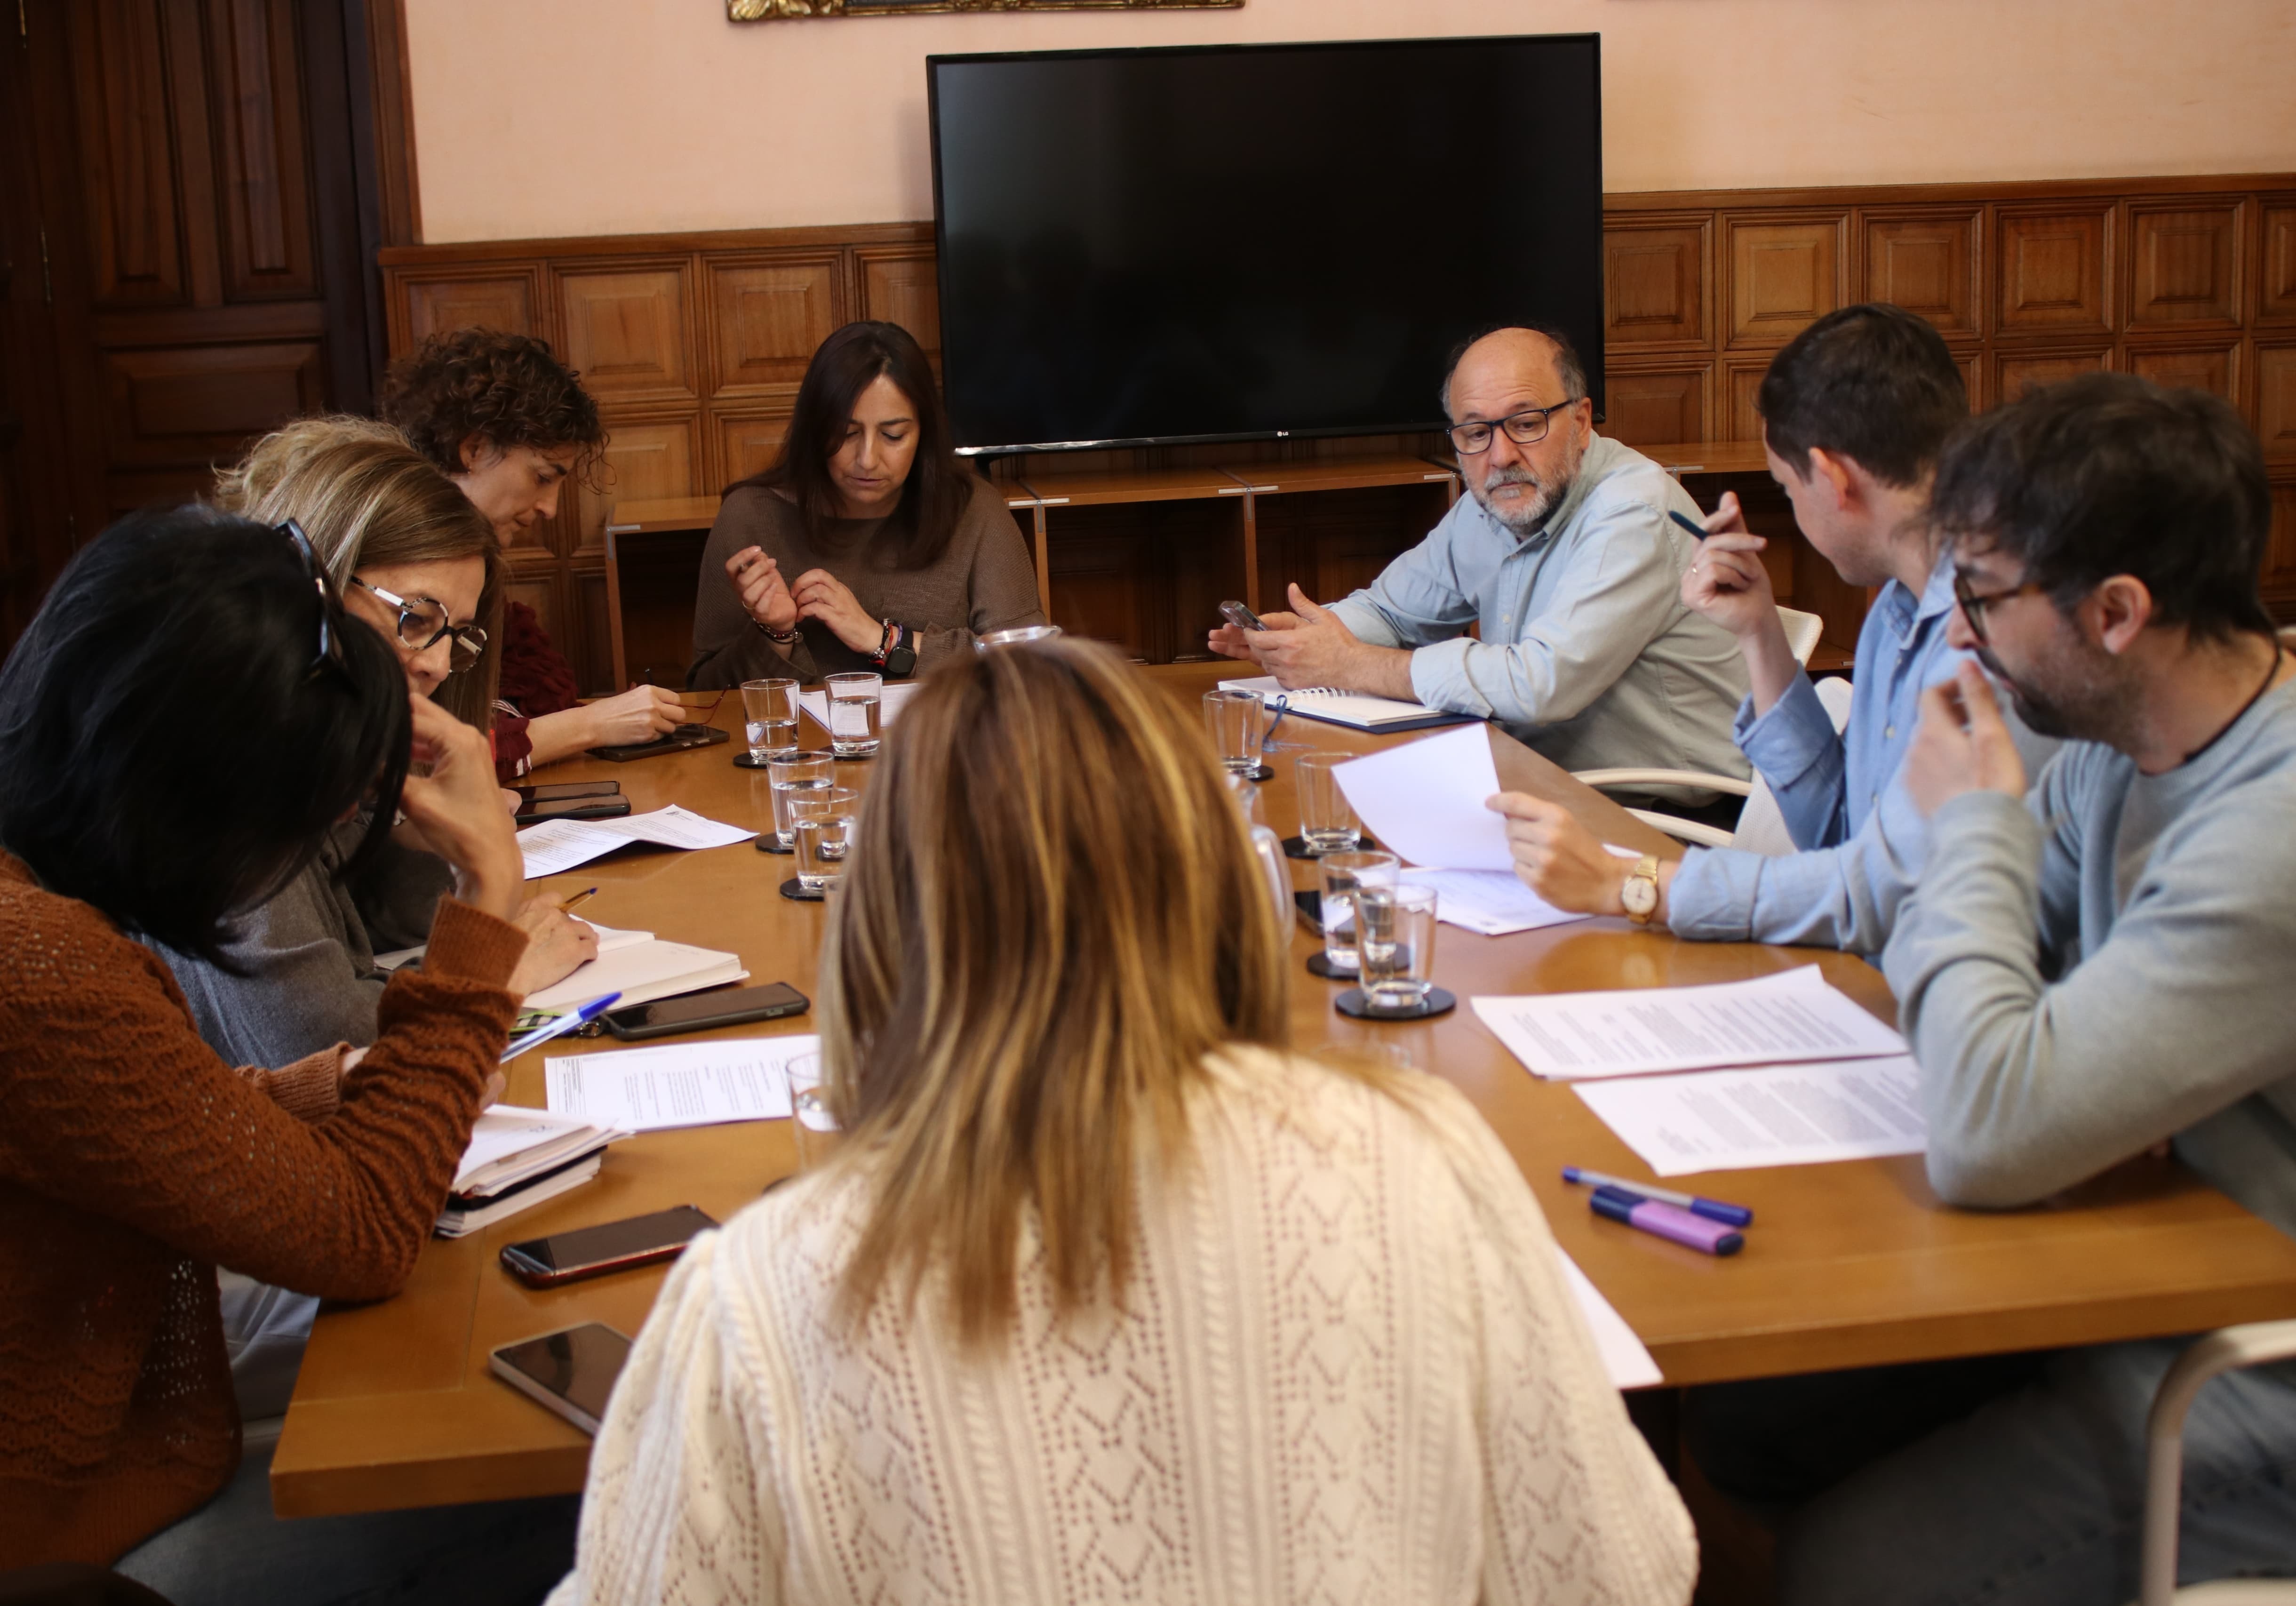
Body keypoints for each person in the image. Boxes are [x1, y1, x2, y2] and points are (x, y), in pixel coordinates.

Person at [546, 638, 1698, 1605]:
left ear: (886, 917)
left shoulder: (760, 1292)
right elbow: (1617, 1571)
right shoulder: (1422, 1155)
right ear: (1211, 875)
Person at [1692, 373, 2296, 1602]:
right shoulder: (2139, 737)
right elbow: (1968, 955)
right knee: (1751, 1421)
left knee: (1850, 1569)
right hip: (2164, 1262)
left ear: (2119, 611)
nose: (1954, 635)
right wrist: (1971, 875)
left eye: (1981, 595)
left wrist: (1969, 826)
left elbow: (1984, 1125)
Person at [0, 507, 575, 1599]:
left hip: (120, 1451)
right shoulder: (39, 962)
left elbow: (126, 1116)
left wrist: (324, 1089)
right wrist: (488, 889)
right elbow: (362, 1234)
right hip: (79, 1533)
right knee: (580, 1471)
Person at [1488, 304, 2051, 952]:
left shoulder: (1990, 640)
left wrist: (1632, 883)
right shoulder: (1897, 609)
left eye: (1787, 489)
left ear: (1834, 479)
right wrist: (1758, 631)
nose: (1791, 506)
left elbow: (1874, 893)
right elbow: (1833, 833)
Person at [1208, 324, 1749, 807]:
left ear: (1581, 421)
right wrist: (1305, 640)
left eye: (1526, 423)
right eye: (1475, 433)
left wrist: (1347, 664)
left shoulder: (1633, 510)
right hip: (1539, 782)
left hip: (1664, 815)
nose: (1500, 455)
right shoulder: (1495, 498)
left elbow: (1543, 683)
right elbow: (1393, 611)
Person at [199, 417, 597, 1070]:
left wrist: (421, 831)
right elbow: (333, 1054)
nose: (438, 665)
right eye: (416, 619)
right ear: (315, 582)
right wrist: (499, 959)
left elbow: (397, 925)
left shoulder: (327, 741)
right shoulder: (237, 778)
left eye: (455, 634)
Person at [383, 327, 685, 774]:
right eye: (543, 478)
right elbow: (407, 754)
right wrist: (589, 726)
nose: (550, 508)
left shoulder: (480, 573)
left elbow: (542, 697)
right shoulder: (386, 552)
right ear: (474, 448)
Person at [688, 319, 1046, 688]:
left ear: (924, 433)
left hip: (937, 744)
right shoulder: (750, 516)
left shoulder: (974, 509)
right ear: (815, 428)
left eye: (893, 435)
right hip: (802, 747)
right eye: (846, 433)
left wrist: (886, 641)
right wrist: (773, 634)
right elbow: (706, 696)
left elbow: (1032, 669)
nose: (868, 460)